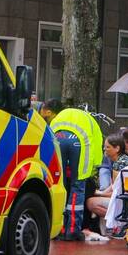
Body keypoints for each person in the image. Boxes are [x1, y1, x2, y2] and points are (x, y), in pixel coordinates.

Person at [44, 100, 103, 241]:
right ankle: (73, 230)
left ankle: (59, 229)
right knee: (78, 186)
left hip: (57, 136)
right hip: (80, 142)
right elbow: (96, 146)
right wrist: (93, 168)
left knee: (60, 186)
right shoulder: (90, 121)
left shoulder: (60, 116)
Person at [85, 133, 128, 226]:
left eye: (108, 147)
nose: (104, 149)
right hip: (127, 198)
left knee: (90, 202)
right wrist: (102, 193)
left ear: (117, 149)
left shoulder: (118, 165)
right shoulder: (123, 160)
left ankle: (120, 221)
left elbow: (117, 193)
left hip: (123, 201)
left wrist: (100, 194)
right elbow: (116, 185)